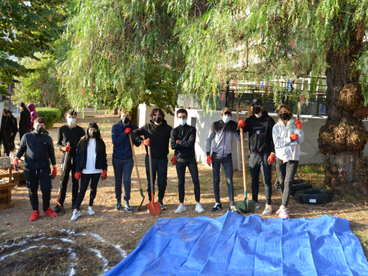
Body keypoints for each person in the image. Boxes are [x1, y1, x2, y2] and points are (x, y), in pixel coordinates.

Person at [14, 117, 58, 221]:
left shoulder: (48, 138)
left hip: (44, 167)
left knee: (46, 188)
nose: (39, 127)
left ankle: (46, 208)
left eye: (42, 126)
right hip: (30, 168)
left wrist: (55, 166)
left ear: (44, 126)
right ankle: (35, 211)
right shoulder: (27, 137)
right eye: (38, 125)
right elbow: (21, 149)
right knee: (32, 190)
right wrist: (16, 159)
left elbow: (51, 153)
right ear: (33, 126)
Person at [238, 98, 276, 216]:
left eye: (257, 105)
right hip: (253, 155)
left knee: (266, 180)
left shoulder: (269, 121)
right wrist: (240, 126)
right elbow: (241, 130)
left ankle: (268, 204)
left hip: (265, 154)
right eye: (253, 105)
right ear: (251, 108)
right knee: (254, 180)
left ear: (261, 106)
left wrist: (272, 152)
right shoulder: (250, 121)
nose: (255, 107)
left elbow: (274, 138)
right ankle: (255, 201)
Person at [131, 108, 172, 210]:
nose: (157, 117)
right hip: (150, 158)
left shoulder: (168, 129)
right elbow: (133, 133)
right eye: (155, 115)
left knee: (162, 181)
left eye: (159, 115)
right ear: (152, 117)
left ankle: (160, 200)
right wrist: (142, 141)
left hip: (162, 159)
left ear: (162, 117)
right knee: (151, 181)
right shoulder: (147, 127)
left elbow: (176, 138)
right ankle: (151, 200)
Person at [206, 107, 242, 213]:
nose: (227, 116)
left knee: (229, 180)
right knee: (216, 180)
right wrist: (208, 154)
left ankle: (232, 204)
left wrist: (241, 128)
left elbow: (240, 138)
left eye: (229, 115)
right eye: (225, 114)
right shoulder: (215, 125)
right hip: (216, 156)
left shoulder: (233, 125)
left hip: (227, 157)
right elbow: (209, 139)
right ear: (221, 115)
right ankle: (217, 203)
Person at [272, 104, 304, 218]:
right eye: (281, 111)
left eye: (285, 111)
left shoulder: (295, 124)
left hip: (292, 156)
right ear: (279, 114)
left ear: (289, 112)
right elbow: (277, 143)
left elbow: (301, 139)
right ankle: (284, 203)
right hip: (280, 156)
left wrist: (299, 128)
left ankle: (283, 208)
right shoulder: (276, 127)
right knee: (281, 182)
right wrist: (289, 138)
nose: (283, 113)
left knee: (288, 181)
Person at [170, 109, 205, 213]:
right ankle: (181, 204)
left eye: (184, 117)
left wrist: (179, 142)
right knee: (181, 182)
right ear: (177, 118)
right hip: (180, 159)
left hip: (190, 158)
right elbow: (172, 146)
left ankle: (198, 203)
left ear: (187, 117)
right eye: (180, 117)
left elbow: (191, 143)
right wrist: (181, 143)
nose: (182, 119)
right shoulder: (174, 131)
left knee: (195, 180)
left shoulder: (192, 129)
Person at [71, 123, 107, 221]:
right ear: (87, 130)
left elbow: (104, 156)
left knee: (93, 188)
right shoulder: (82, 142)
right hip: (85, 170)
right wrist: (78, 170)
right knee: (82, 189)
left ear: (97, 131)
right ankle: (76, 210)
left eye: (94, 129)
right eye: (90, 129)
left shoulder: (100, 142)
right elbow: (77, 157)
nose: (92, 131)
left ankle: (90, 207)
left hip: (97, 169)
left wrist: (105, 169)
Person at [54, 109, 85, 212]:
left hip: (76, 158)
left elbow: (84, 145)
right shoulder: (62, 129)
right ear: (66, 117)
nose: (71, 119)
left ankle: (75, 203)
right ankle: (60, 203)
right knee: (64, 180)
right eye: (69, 117)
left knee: (75, 181)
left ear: (76, 118)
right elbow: (58, 143)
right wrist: (62, 148)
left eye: (73, 117)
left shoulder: (80, 130)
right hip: (66, 157)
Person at [111, 110, 138, 213]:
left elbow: (136, 143)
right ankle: (118, 201)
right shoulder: (115, 127)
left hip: (128, 158)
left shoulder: (134, 127)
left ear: (130, 117)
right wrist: (124, 133)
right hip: (117, 158)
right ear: (120, 116)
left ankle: (127, 201)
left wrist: (133, 135)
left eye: (127, 116)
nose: (125, 117)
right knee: (118, 180)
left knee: (126, 180)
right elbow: (115, 142)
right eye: (123, 115)